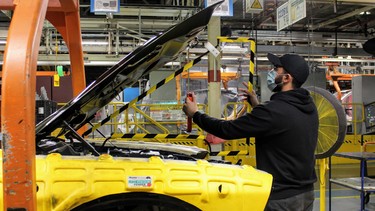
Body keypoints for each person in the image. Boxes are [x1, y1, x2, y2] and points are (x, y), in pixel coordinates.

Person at [183, 53, 319, 211]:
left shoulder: (273, 112)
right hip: (306, 193)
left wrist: (195, 115)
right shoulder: (309, 106)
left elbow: (226, 130)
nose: (272, 71)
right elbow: (281, 123)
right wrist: (257, 105)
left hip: (281, 198)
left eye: (276, 69)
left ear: (287, 78)